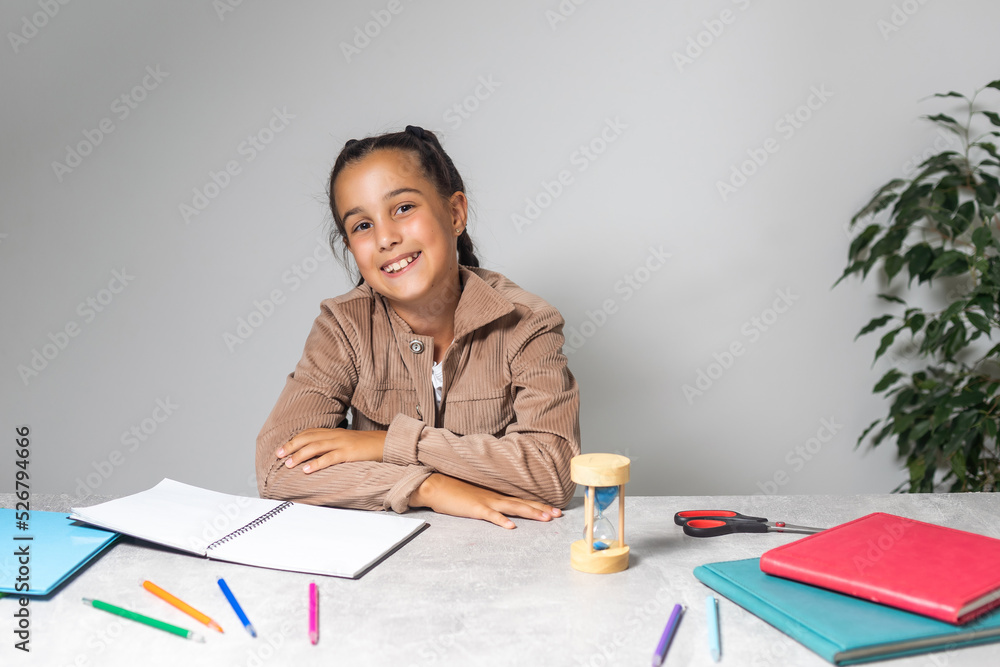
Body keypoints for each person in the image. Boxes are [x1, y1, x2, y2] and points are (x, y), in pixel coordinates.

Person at [255, 125, 580, 529]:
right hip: (383, 569)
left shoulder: (526, 322)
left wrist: (387, 442)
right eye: (362, 226)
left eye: (403, 208)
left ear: (455, 213)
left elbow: (552, 471)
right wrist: (425, 486)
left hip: (504, 560)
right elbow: (277, 469)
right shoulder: (343, 327)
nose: (386, 238)